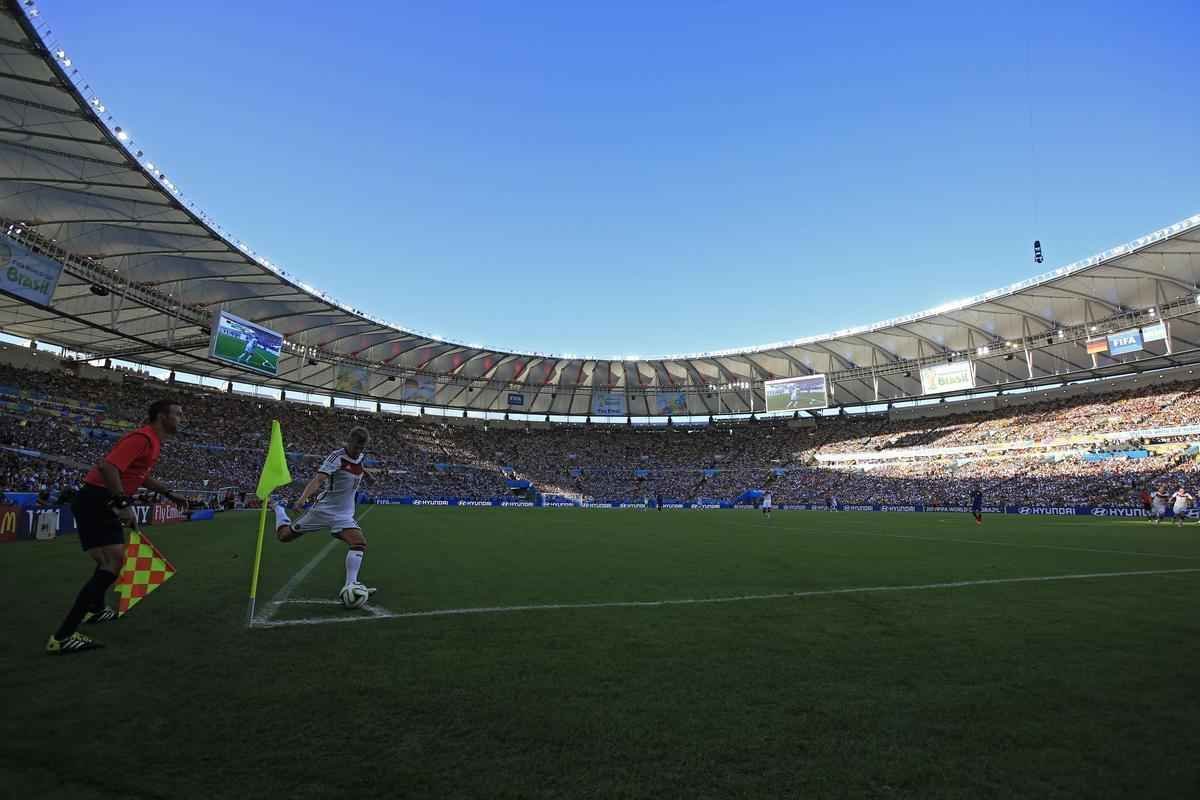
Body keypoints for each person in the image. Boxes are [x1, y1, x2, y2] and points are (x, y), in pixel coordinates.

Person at [46, 399, 186, 654]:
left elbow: (139, 475)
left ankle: (96, 610)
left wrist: (169, 493)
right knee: (113, 562)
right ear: (161, 416)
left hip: (95, 500)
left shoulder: (152, 442)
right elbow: (108, 466)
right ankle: (63, 636)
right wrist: (121, 502)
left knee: (106, 561)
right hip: (99, 500)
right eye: (177, 414)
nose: (181, 418)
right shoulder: (143, 438)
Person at [274, 427, 376, 600]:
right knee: (284, 536)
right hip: (323, 510)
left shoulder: (360, 456)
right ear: (348, 441)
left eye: (361, 448)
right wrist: (302, 499)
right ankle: (278, 508)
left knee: (359, 543)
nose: (358, 451)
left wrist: (367, 475)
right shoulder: (336, 457)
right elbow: (318, 479)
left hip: (344, 515)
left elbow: (358, 463)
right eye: (356, 447)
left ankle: (350, 585)